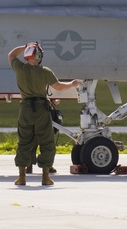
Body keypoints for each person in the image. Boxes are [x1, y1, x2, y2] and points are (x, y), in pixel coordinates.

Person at [8, 42, 81, 186]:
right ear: (40, 56)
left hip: (25, 109)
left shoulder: (20, 68)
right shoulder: (45, 71)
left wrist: (26, 46)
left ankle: (22, 177)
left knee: (24, 141)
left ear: (28, 55)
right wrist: (72, 84)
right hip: (41, 109)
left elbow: (11, 54)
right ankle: (45, 177)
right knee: (47, 142)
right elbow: (59, 86)